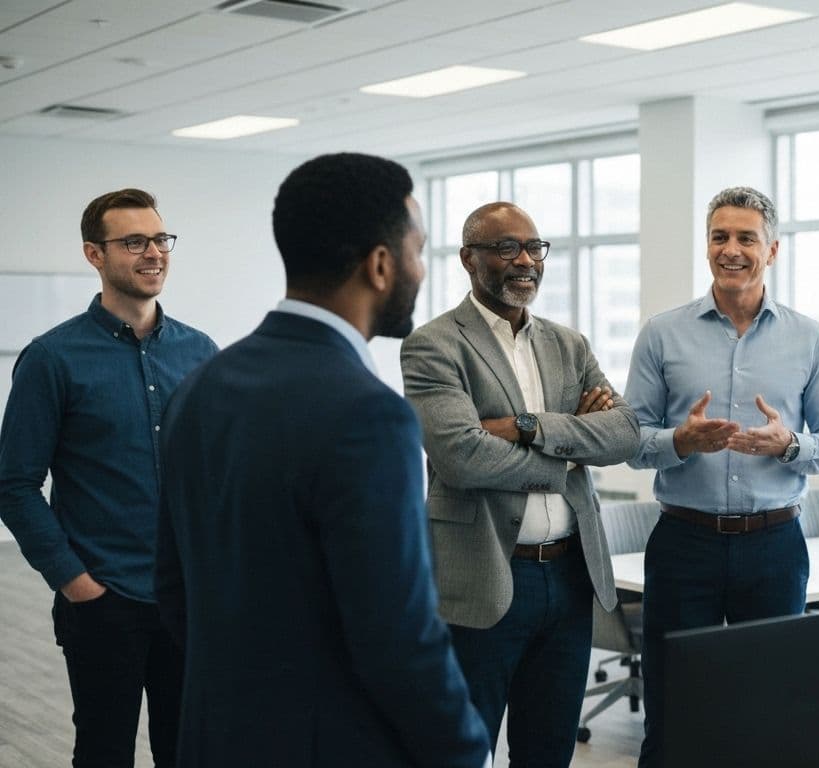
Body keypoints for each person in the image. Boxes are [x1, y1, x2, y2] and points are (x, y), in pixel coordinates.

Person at [155, 153, 492, 767]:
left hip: (217, 738)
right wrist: (468, 752)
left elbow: (174, 590)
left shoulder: (199, 387)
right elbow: (399, 637)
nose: (422, 268)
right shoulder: (369, 415)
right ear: (381, 265)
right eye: (418, 250)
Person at [400, 201, 640, 767]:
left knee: (549, 749)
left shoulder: (569, 344)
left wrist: (530, 427)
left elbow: (625, 434)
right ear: (469, 259)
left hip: (569, 575)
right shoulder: (435, 345)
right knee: (465, 748)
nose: (526, 261)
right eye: (507, 248)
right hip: (484, 574)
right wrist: (570, 453)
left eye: (535, 248)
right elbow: (461, 456)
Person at [625, 186, 819, 767]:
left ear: (771, 250)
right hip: (684, 545)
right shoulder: (661, 333)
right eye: (719, 237)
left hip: (774, 546)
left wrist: (791, 445)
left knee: (770, 711)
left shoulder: (810, 338)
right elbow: (631, 439)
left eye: (746, 238)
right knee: (675, 715)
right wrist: (681, 440)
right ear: (707, 247)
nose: (732, 249)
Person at [0, 188, 216, 767]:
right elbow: (14, 484)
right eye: (134, 242)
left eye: (160, 239)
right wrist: (74, 581)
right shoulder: (52, 358)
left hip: (189, 598)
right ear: (95, 255)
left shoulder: (201, 354)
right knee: (103, 752)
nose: (154, 253)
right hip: (103, 599)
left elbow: (218, 474)